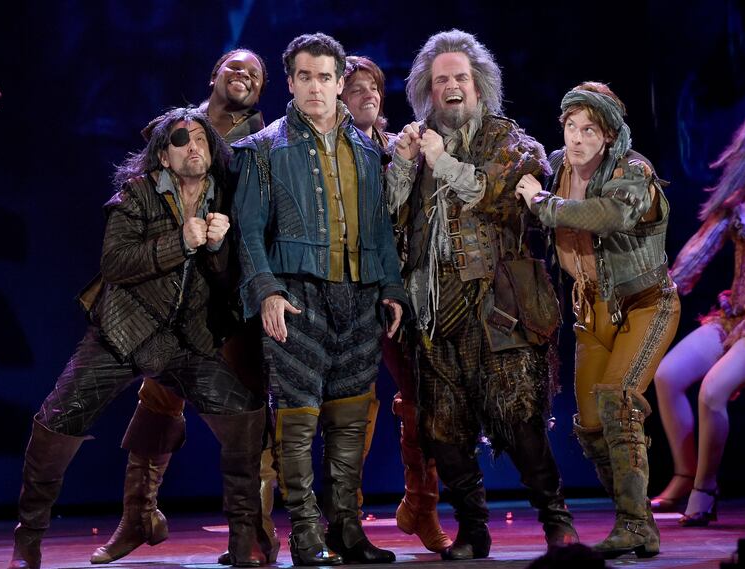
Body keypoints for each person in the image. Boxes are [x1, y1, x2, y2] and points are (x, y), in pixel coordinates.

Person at [8, 107, 267, 569]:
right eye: (181, 140)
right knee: (59, 417)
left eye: (201, 139)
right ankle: (28, 538)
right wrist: (179, 242)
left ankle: (245, 537)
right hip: (125, 331)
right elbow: (116, 263)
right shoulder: (137, 193)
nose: (193, 146)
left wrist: (217, 248)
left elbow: (229, 283)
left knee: (244, 412)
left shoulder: (225, 199)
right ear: (164, 157)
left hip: (188, 340)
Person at [386, 29, 577, 561]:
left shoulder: (507, 138)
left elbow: (502, 191)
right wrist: (401, 166)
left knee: (520, 421)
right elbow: (390, 221)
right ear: (427, 90)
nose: (451, 86)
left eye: (461, 78)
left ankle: (556, 521)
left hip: (498, 307)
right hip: (433, 310)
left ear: (479, 85)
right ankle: (473, 529)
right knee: (442, 430)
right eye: (440, 79)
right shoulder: (415, 144)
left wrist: (443, 162)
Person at [90, 49, 280, 566]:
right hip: (171, 290)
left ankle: (255, 532)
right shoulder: (173, 129)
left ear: (261, 91)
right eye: (234, 67)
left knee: (249, 409)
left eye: (255, 74)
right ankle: (138, 516)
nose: (243, 75)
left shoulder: (266, 141)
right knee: (157, 400)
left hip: (231, 291)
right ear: (214, 74)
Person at [233, 32, 406, 566]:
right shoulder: (264, 147)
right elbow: (247, 230)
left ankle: (347, 529)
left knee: (351, 417)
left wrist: (392, 287)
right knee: (297, 417)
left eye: (325, 77)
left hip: (360, 296)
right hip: (296, 297)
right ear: (290, 82)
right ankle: (306, 532)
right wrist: (267, 291)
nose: (315, 87)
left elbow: (379, 228)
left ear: (338, 82)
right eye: (305, 76)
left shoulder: (367, 148)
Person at [516, 82, 681, 558]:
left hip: (646, 304)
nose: (577, 137)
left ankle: (632, 524)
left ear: (608, 135)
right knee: (590, 424)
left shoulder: (634, 170)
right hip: (592, 310)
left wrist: (543, 204)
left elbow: (610, 215)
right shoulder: (558, 168)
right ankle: (639, 523)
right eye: (571, 126)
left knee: (618, 400)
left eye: (589, 129)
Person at [340, 54, 452, 554]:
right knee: (352, 409)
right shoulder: (329, 152)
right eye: (355, 89)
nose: (368, 95)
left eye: (373, 87)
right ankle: (345, 517)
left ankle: (422, 506)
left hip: (400, 292)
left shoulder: (397, 146)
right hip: (347, 292)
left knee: (421, 399)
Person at [651, 113, 745, 526]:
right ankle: (684, 474)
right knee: (668, 375)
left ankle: (705, 489)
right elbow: (695, 256)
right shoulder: (738, 204)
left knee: (712, 391)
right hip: (735, 316)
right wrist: (662, 291)